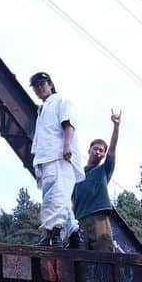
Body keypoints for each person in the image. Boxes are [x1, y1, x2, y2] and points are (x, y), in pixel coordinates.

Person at [29, 71, 84, 246]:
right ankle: (74, 235)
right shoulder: (43, 108)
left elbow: (68, 123)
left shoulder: (60, 100)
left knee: (56, 195)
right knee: (56, 195)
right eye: (36, 87)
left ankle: (53, 233)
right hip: (46, 157)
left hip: (58, 155)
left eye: (42, 84)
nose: (39, 89)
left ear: (50, 84)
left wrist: (67, 145)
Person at [71, 111, 121, 252]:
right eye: (95, 149)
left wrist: (116, 126)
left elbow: (113, 148)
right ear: (89, 150)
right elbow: (72, 201)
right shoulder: (78, 175)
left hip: (99, 218)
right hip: (79, 220)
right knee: (81, 257)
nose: (98, 152)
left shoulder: (104, 170)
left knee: (104, 253)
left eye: (101, 151)